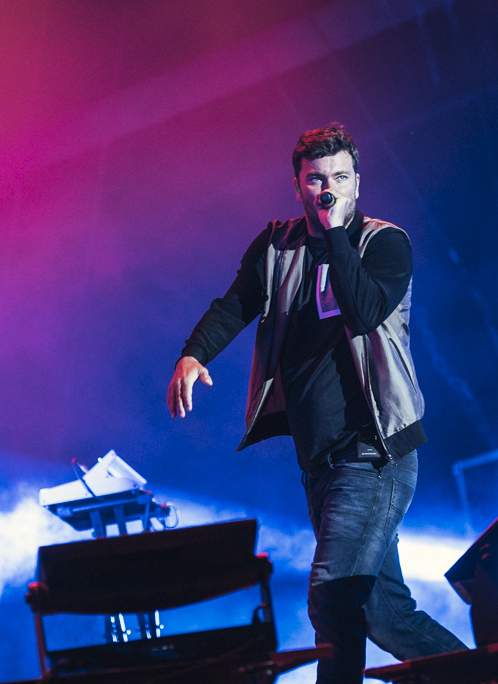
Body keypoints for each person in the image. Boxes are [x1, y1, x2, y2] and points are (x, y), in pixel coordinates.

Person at [166, 124, 466, 684]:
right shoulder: (276, 246)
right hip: (321, 464)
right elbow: (235, 304)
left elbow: (363, 311)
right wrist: (193, 354)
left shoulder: (383, 243)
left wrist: (335, 236)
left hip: (373, 455)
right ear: (297, 186)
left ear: (357, 184)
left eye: (339, 178)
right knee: (385, 614)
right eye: (315, 180)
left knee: (331, 596)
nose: (328, 190)